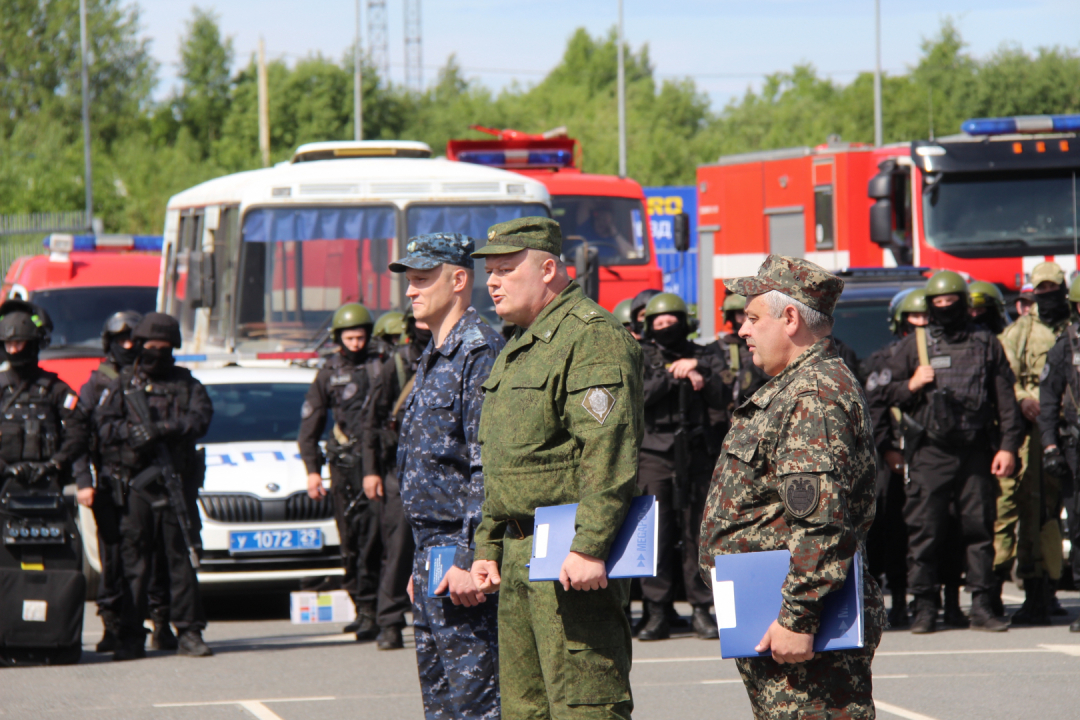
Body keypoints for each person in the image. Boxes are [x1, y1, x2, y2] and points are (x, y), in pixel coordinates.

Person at [469, 216, 643, 719]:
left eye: (505, 269)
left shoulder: (590, 337)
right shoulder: (521, 346)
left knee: (584, 706)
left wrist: (590, 546)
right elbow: (509, 463)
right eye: (489, 271)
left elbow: (608, 450)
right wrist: (490, 543)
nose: (493, 281)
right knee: (526, 710)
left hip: (570, 559)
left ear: (548, 269)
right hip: (521, 553)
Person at [699, 255, 885, 719]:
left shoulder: (812, 397)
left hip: (803, 631)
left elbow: (821, 522)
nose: (742, 330)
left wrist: (797, 618)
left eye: (752, 317)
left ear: (790, 317)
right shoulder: (797, 387)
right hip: (776, 616)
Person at [390, 232, 505, 719]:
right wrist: (422, 563)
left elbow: (486, 465)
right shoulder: (435, 353)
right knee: (440, 704)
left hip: (459, 555)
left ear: (459, 280)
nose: (410, 292)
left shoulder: (477, 352)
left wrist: (466, 557)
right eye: (409, 282)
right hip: (431, 552)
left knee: (476, 703)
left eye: (420, 280)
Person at [879, 270, 1022, 633]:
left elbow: (1005, 401)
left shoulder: (986, 342)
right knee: (925, 531)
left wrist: (1007, 448)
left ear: (964, 303)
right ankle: (925, 606)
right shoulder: (916, 345)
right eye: (938, 304)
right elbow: (883, 393)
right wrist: (911, 384)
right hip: (930, 452)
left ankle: (981, 605)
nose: (945, 309)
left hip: (975, 450)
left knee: (979, 530)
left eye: (951, 302)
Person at [97, 312, 214, 658]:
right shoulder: (123, 384)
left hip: (175, 482)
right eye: (150, 346)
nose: (156, 353)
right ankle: (132, 635)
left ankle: (189, 631)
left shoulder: (187, 383)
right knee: (136, 563)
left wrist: (163, 430)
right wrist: (132, 435)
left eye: (164, 348)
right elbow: (103, 427)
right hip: (136, 486)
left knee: (180, 560)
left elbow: (201, 419)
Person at [75, 311, 176, 653]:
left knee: (158, 556)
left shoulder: (155, 377)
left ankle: (161, 621)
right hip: (109, 482)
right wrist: (82, 480)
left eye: (135, 340)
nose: (129, 346)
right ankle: (113, 625)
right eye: (122, 341)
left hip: (150, 483)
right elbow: (79, 435)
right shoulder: (97, 385)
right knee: (114, 558)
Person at [636, 292, 726, 641]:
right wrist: (673, 377)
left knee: (697, 533)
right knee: (655, 535)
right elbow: (635, 396)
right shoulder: (641, 356)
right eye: (659, 323)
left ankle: (702, 609)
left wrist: (700, 368)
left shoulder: (706, 354)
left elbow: (723, 396)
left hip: (696, 454)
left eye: (672, 322)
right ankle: (656, 611)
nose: (666, 328)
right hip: (654, 453)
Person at [299, 302, 388, 642]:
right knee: (350, 541)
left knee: (373, 540)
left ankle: (374, 609)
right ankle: (361, 606)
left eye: (360, 336)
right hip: (343, 470)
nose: (355, 343)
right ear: (338, 338)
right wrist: (312, 471)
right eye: (349, 337)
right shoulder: (327, 373)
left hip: (377, 466)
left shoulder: (382, 367)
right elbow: (310, 426)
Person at [999, 263, 1070, 625]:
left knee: (1058, 513)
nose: (1047, 297)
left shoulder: (1071, 332)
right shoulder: (1020, 332)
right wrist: (1025, 397)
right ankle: (1034, 588)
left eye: (1052, 290)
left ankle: (1055, 587)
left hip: (1067, 432)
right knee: (1033, 508)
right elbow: (1004, 374)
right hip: (1034, 435)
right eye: (1039, 291)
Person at [864, 288, 927, 628]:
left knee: (917, 532)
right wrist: (887, 449)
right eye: (914, 318)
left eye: (925, 318)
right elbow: (875, 407)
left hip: (929, 456)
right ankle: (888, 602)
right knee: (885, 529)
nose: (921, 324)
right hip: (890, 459)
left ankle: (917, 599)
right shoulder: (882, 360)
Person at [1037, 274, 1080, 632]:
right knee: (1078, 524)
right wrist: (1050, 444)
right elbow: (1048, 399)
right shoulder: (1065, 345)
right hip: (1074, 446)